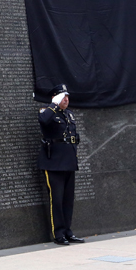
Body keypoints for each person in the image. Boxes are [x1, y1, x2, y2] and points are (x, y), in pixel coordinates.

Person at [38, 84, 84, 245]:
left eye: (67, 97)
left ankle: (68, 231)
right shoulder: (47, 112)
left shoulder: (69, 114)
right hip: (54, 163)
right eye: (62, 97)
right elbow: (44, 121)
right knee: (56, 200)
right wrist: (54, 105)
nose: (66, 100)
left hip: (69, 162)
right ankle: (58, 234)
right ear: (55, 98)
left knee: (68, 200)